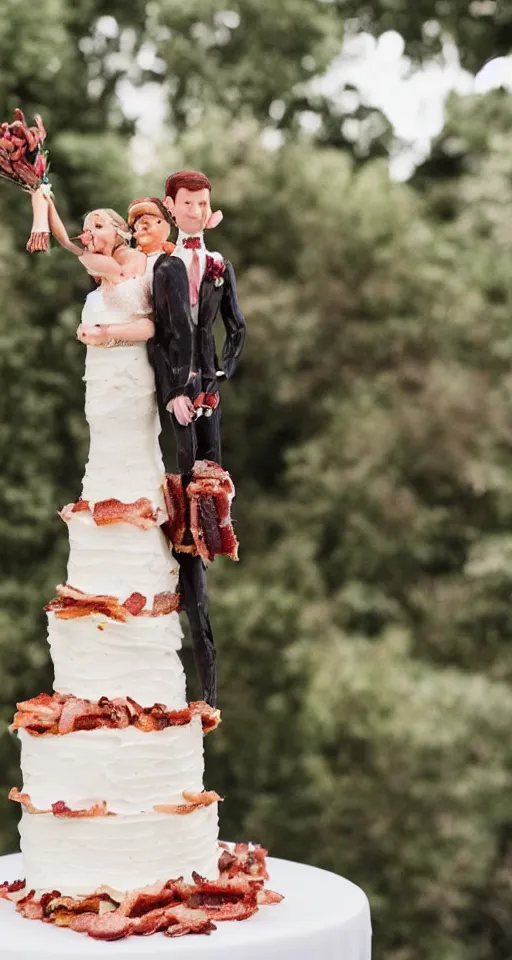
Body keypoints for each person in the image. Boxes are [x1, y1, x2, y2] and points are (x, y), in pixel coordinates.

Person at [149, 170, 246, 476]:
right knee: (186, 457)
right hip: (179, 378)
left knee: (213, 457)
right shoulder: (163, 267)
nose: (195, 211)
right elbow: (159, 336)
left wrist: (225, 366)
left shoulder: (219, 264)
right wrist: (172, 392)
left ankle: (213, 521)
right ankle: (188, 522)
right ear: (171, 206)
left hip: (208, 375)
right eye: (188, 203)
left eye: (202, 203)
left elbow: (236, 324)